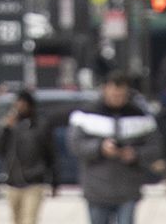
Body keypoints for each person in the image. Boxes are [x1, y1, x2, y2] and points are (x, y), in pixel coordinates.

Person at [65, 72, 159, 224]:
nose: (117, 98)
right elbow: (75, 145)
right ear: (104, 90)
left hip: (128, 188)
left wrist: (135, 154)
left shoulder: (140, 117)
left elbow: (155, 147)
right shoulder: (86, 116)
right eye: (114, 94)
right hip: (96, 189)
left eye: (121, 95)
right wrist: (100, 148)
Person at [0, 90, 58, 224]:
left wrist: (54, 181)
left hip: (34, 181)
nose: (19, 107)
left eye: (23, 104)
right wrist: (5, 129)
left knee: (29, 220)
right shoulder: (11, 125)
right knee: (16, 220)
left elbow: (50, 154)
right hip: (13, 181)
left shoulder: (40, 125)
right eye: (17, 104)